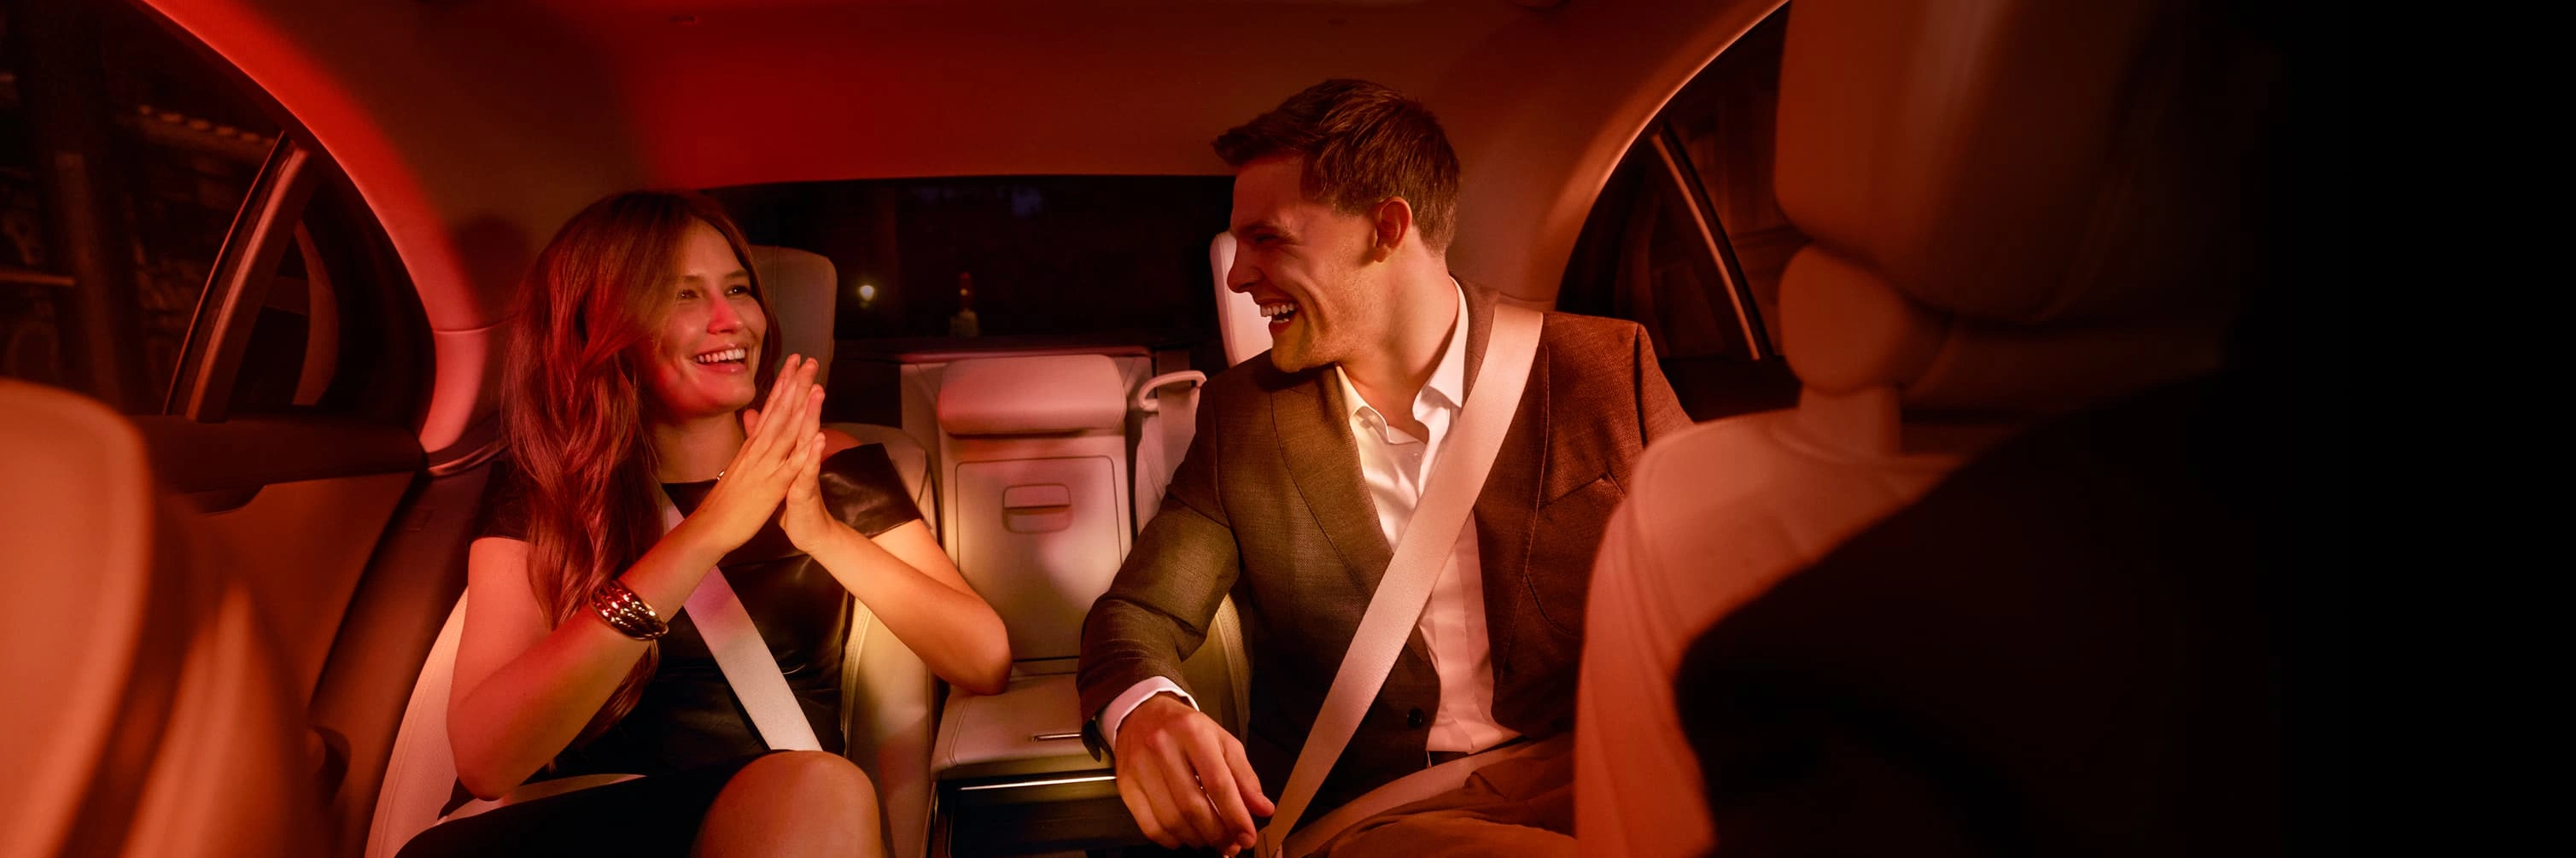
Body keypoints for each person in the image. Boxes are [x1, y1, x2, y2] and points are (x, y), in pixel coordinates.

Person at [1076, 79, 1691, 856]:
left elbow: (1728, 590)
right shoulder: (1244, 419)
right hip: (1387, 816)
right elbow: (1133, 618)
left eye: (1266, 240)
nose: (1237, 278)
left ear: (1385, 228)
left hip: (1607, 768)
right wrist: (1146, 710)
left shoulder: (1599, 368)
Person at [400, 190, 1012, 857]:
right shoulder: (545, 484)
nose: (730, 320)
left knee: (820, 791)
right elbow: (487, 759)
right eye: (682, 295)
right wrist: (707, 533)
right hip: (567, 824)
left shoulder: (825, 461)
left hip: (776, 814)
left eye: (739, 289)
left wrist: (821, 533)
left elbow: (984, 658)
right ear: (604, 327)